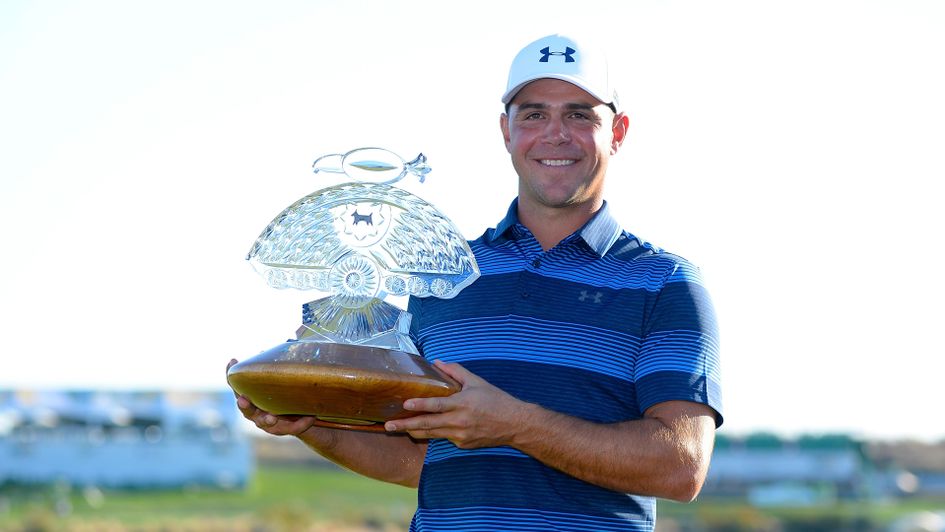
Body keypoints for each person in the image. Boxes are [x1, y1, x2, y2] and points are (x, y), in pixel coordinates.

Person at [229, 33, 723, 532]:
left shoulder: (666, 283)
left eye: (579, 114)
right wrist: (308, 425)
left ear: (617, 132)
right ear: (506, 131)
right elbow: (421, 460)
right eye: (533, 114)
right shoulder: (442, 275)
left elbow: (680, 467)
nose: (555, 134)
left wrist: (514, 424)